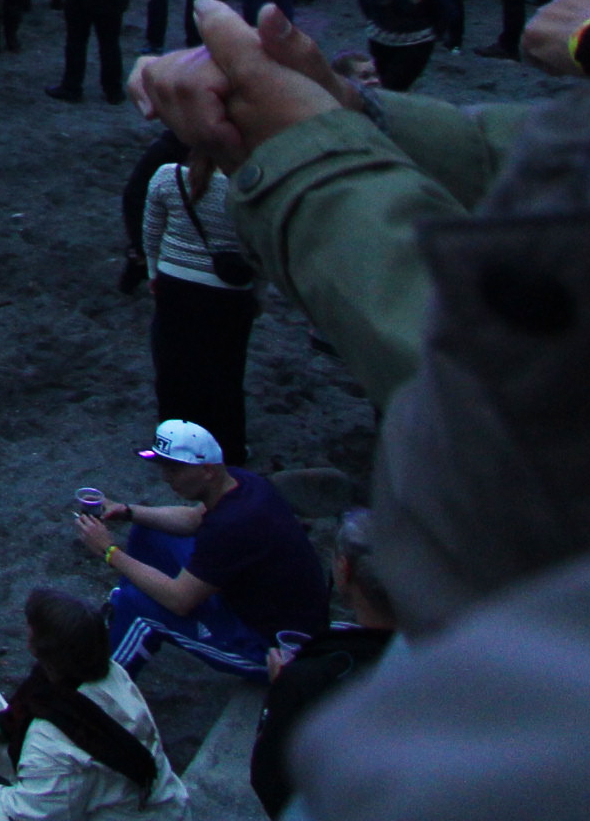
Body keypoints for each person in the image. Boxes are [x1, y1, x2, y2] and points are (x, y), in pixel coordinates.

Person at [72, 419, 326, 679]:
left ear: (207, 470)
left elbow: (180, 600)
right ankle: (121, 617)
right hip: (249, 600)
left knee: (136, 607)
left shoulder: (232, 525)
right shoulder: (240, 481)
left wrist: (109, 551)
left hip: (268, 647)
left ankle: (96, 688)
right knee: (149, 530)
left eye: (176, 469)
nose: (166, 477)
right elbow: (193, 520)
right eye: (164, 466)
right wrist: (127, 511)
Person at [0, 586, 186, 818]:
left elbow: (28, 814)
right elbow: (38, 695)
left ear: (38, 647)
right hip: (161, 800)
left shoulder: (51, 745)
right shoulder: (107, 671)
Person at [247, 509, 394, 817]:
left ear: (343, 570)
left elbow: (272, 784)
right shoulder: (458, 650)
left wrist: (284, 691)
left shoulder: (311, 677)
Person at [139, 157, 259, 466]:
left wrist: (154, 273)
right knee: (226, 373)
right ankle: (230, 449)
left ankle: (171, 447)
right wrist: (259, 293)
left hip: (176, 285)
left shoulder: (169, 178)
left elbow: (151, 233)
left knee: (173, 370)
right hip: (231, 293)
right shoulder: (253, 188)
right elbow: (263, 250)